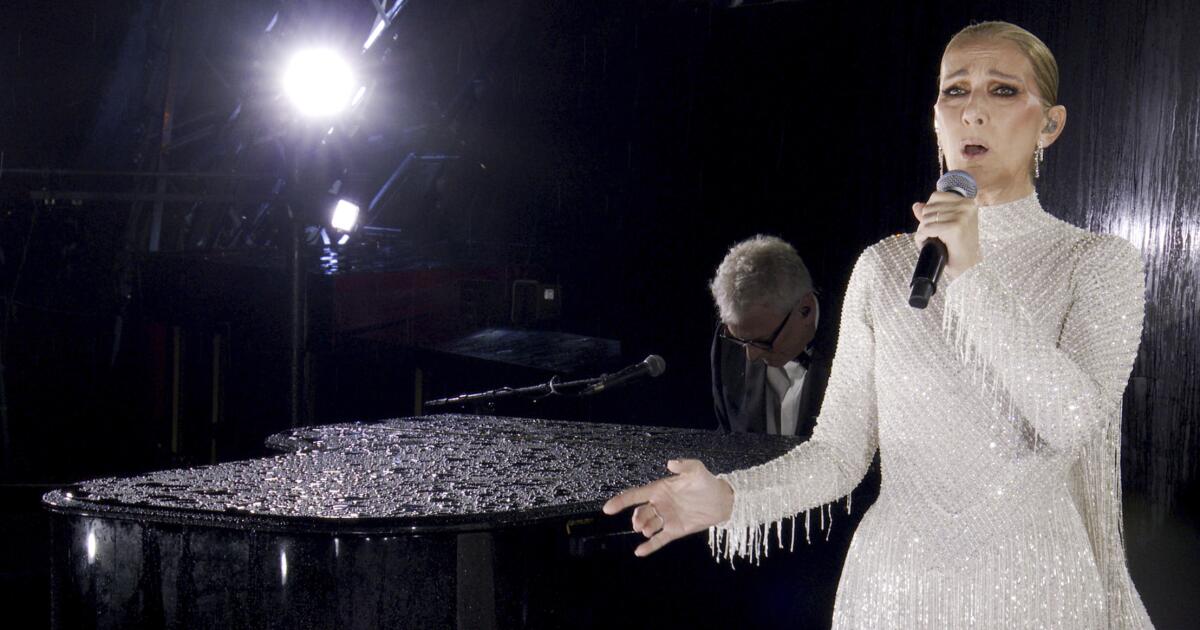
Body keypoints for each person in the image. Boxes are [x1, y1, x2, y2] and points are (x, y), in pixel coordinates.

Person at [604, 21, 1154, 629]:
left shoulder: (1096, 262)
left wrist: (971, 275)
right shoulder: (884, 265)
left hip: (1034, 591)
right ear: (935, 117)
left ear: (1049, 124)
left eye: (1002, 90)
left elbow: (1075, 422)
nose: (972, 111)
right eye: (955, 90)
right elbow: (839, 454)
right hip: (892, 589)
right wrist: (732, 498)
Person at [708, 235, 830, 438]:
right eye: (741, 340)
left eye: (763, 341)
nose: (751, 355)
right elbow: (729, 440)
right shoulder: (728, 345)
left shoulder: (858, 347)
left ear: (805, 310)